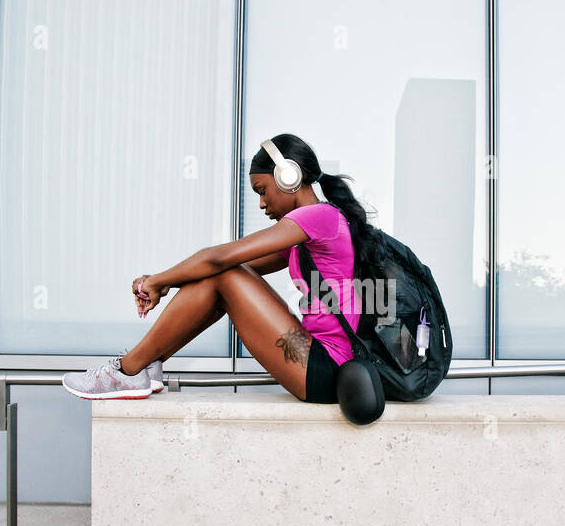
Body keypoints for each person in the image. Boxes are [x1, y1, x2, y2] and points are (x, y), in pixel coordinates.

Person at [62, 133, 384, 403]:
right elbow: (225, 268)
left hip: (326, 369)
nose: (261, 204)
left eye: (262, 191)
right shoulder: (309, 233)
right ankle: (147, 366)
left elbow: (221, 260)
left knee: (225, 271)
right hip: (319, 363)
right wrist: (165, 281)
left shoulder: (318, 216)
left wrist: (159, 281)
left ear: (289, 177)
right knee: (221, 274)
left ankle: (127, 370)